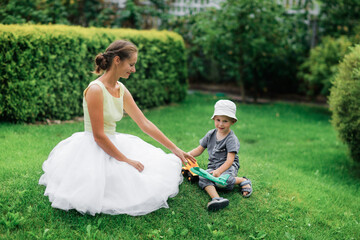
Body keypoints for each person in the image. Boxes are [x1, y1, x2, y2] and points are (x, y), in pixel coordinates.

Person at [39, 39, 195, 216]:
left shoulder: (120, 88)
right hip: (95, 145)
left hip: (114, 140)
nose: (133, 70)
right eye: (131, 64)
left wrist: (175, 149)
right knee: (123, 176)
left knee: (149, 171)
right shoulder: (96, 90)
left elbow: (144, 123)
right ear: (117, 60)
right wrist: (125, 159)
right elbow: (98, 136)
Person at [188, 100, 252, 211]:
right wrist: (187, 155)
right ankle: (217, 199)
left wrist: (219, 171)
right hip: (213, 166)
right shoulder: (210, 134)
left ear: (233, 122)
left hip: (227, 167)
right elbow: (199, 149)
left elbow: (230, 160)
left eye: (225, 121)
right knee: (203, 177)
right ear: (214, 119)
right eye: (218, 120)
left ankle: (241, 180)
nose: (221, 124)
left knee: (223, 183)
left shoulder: (231, 139)